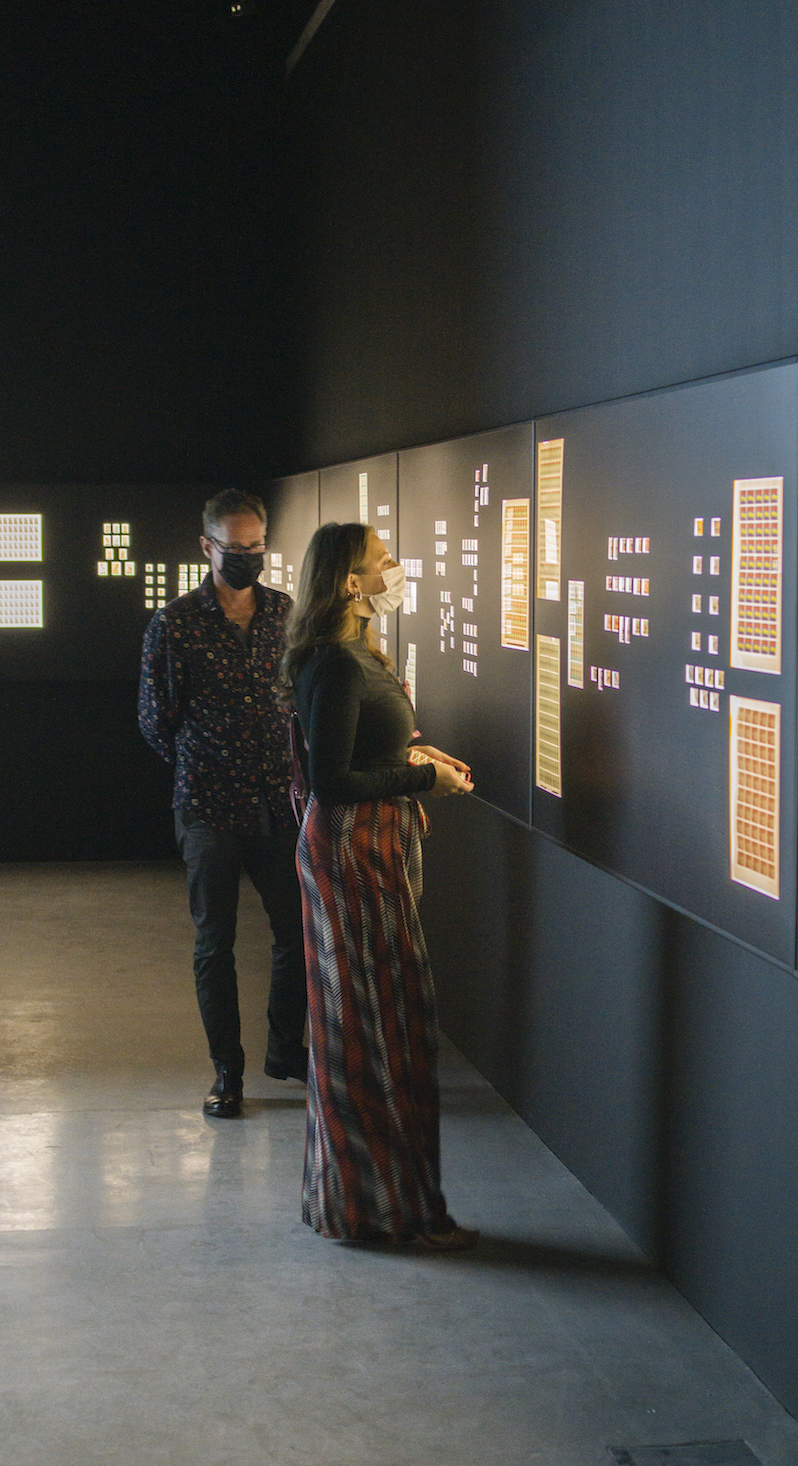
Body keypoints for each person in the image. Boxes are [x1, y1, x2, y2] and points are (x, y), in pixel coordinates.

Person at [281, 521, 478, 1250]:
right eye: (382, 561)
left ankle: (376, 1204)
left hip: (373, 853)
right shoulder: (335, 663)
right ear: (350, 582)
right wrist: (422, 778)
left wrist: (414, 752)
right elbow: (333, 782)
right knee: (374, 1032)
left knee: (382, 1025)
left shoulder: (355, 656)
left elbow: (360, 749)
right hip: (355, 854)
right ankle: (384, 1212)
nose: (395, 570)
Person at [139, 489, 307, 1117]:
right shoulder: (175, 623)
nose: (247, 559)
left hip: (276, 804)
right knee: (217, 943)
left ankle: (286, 1051)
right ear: (207, 547)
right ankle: (226, 1073)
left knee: (293, 931)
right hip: (208, 807)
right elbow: (156, 721)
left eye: (256, 548)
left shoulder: (286, 614)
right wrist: (205, 765)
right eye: (235, 550)